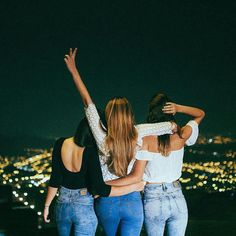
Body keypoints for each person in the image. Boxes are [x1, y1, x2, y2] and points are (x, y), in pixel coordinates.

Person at [64, 48, 175, 236]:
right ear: (129, 114)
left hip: (107, 200)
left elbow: (87, 102)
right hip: (133, 201)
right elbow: (171, 126)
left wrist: (74, 72)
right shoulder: (138, 132)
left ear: (108, 116)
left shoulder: (102, 137)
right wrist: (174, 123)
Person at [107, 93, 205, 236]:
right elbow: (200, 114)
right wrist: (178, 108)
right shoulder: (181, 134)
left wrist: (104, 184)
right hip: (177, 197)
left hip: (153, 198)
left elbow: (136, 176)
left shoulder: (146, 139)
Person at [43, 117, 145, 236]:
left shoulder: (60, 143)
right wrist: (134, 186)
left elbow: (55, 179)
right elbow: (100, 189)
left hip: (62, 206)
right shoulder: (91, 151)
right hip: (84, 206)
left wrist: (47, 206)